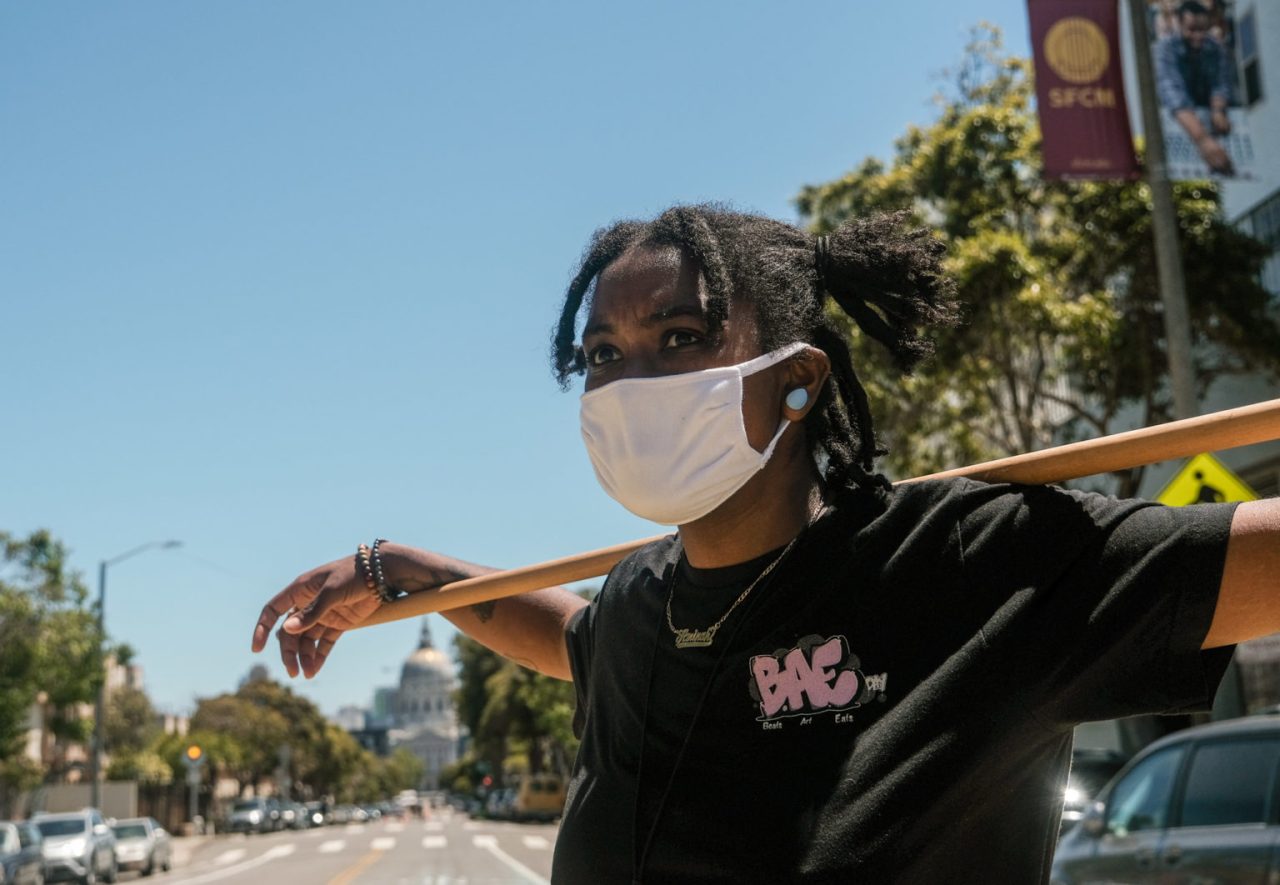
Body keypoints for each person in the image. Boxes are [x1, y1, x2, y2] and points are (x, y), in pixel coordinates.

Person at [251, 205, 1280, 883]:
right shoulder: (641, 608)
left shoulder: (975, 562)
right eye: (602, 353)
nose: (631, 380)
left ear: (799, 380)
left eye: (681, 337)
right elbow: (568, 634)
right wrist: (405, 574)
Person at [1155, 0, 1236, 174]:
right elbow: (1173, 94)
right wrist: (1203, 140)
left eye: (1202, 30)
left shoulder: (1215, 47)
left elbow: (1221, 83)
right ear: (1179, 24)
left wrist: (1218, 111)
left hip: (1206, 111)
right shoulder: (1165, 48)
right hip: (1179, 120)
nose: (1198, 36)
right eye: (1192, 30)